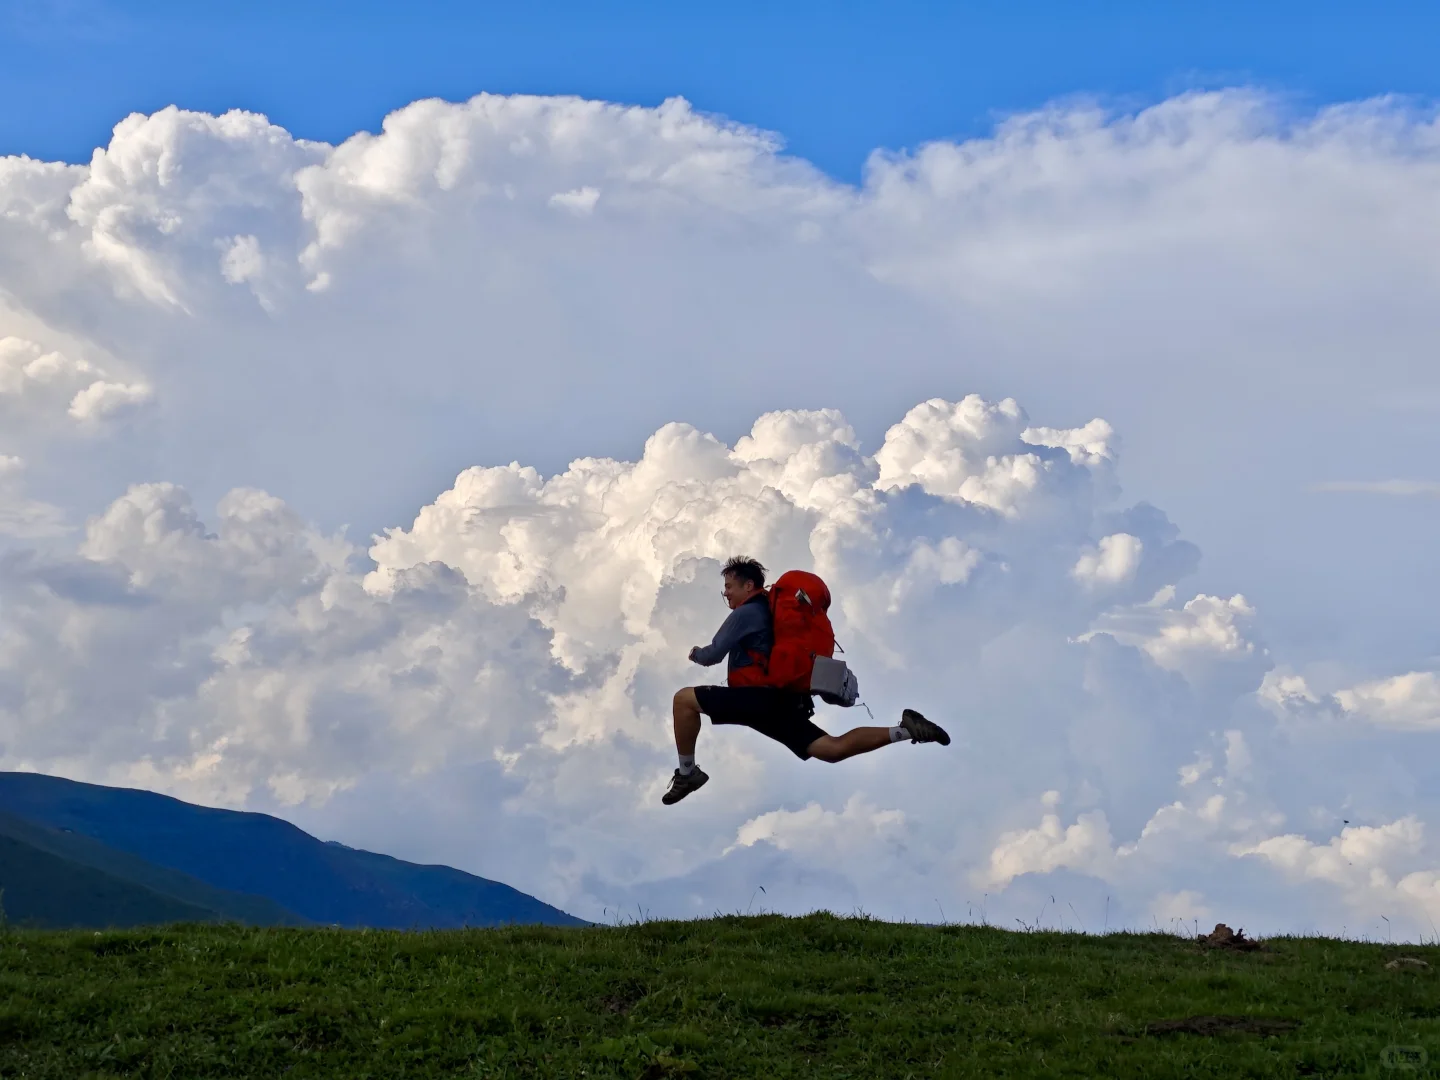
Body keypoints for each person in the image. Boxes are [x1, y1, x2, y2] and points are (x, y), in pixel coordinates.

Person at [663, 555, 951, 805]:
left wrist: (694, 654)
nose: (726, 594)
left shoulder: (747, 612)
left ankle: (687, 773)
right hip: (783, 700)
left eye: (728, 587)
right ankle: (907, 730)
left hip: (757, 697)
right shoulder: (770, 610)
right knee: (831, 749)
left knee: (683, 700)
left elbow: (713, 654)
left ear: (748, 586)